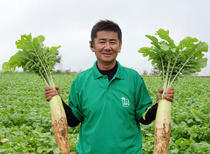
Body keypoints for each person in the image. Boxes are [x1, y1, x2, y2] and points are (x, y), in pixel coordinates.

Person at [45, 20, 174, 154]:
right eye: (102, 41)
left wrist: (161, 103)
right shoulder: (81, 81)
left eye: (112, 42)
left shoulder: (133, 78)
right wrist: (57, 100)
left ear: (120, 46)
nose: (107, 47)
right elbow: (73, 120)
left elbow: (144, 118)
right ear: (92, 45)